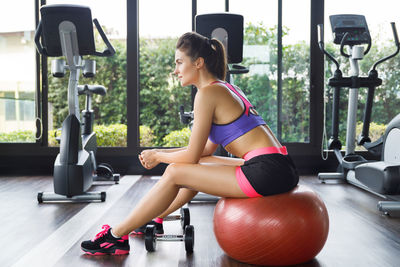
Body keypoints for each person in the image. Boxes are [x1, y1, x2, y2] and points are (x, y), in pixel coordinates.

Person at [80, 32, 299, 255]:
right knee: (195, 166)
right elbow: (203, 152)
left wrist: (157, 156)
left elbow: (191, 156)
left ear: (198, 63)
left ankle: (115, 236)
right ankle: (152, 218)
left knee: (176, 172)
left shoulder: (207, 94)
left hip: (266, 172)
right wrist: (160, 153)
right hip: (280, 166)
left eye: (179, 62)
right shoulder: (225, 88)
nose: (175, 70)